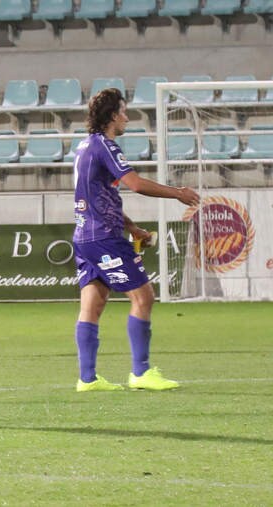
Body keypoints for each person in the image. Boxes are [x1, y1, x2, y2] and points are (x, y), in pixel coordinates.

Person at [72, 88, 200, 392]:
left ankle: (87, 379)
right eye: (124, 112)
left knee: (93, 304)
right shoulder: (106, 145)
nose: (127, 118)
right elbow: (135, 184)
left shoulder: (84, 146)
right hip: (104, 238)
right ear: (114, 115)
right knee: (143, 297)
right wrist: (178, 194)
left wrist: (132, 228)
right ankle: (141, 372)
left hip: (84, 236)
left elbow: (100, 196)